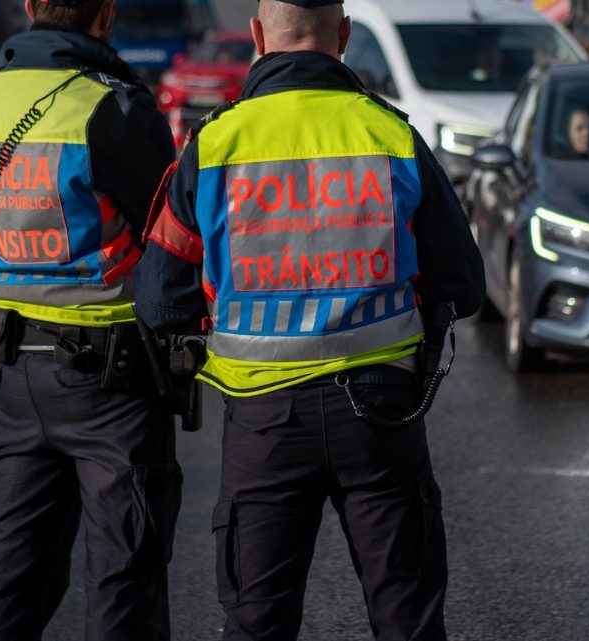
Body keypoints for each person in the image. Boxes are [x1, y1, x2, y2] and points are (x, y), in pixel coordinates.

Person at [131, 0, 485, 639]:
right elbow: (463, 284)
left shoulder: (215, 143)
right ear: (343, 36)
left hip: (264, 423)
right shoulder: (390, 134)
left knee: (258, 622)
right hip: (381, 415)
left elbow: (160, 302)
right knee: (407, 619)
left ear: (258, 36)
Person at [0, 1, 181, 639]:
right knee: (124, 583)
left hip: (15, 374)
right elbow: (172, 234)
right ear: (107, 14)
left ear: (29, 8)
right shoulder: (114, 108)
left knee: (9, 582)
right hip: (114, 380)